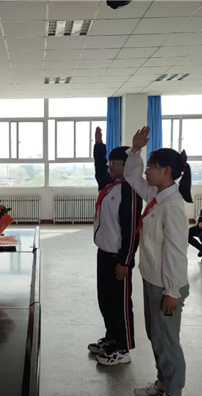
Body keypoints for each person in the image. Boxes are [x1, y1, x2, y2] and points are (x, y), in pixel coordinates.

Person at [124, 126, 191, 396]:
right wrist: (135, 150)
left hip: (167, 285)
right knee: (157, 337)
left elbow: (176, 252)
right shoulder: (155, 194)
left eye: (151, 166)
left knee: (168, 341)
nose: (147, 171)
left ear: (166, 171)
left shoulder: (172, 205)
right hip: (153, 279)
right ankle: (163, 383)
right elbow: (131, 176)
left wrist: (172, 291)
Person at [88, 126, 142, 366]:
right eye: (109, 162)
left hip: (119, 258)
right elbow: (99, 170)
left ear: (127, 165)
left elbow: (132, 230)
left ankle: (123, 348)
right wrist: (99, 146)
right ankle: (111, 338)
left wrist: (125, 262)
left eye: (114, 163)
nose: (109, 167)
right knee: (106, 300)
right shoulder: (109, 185)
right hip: (103, 254)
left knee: (120, 304)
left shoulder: (130, 191)